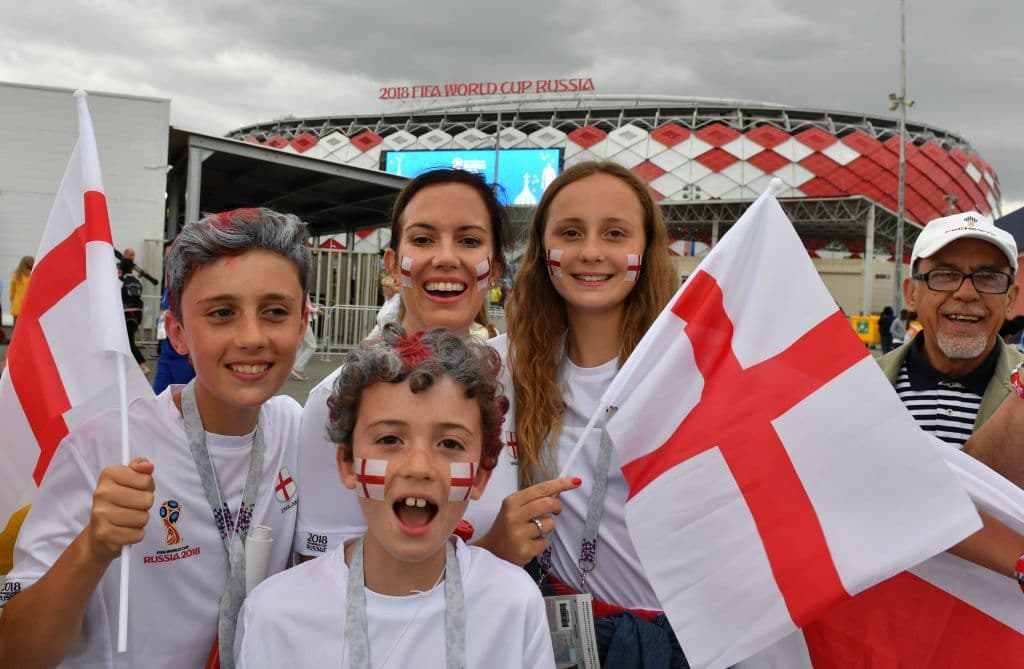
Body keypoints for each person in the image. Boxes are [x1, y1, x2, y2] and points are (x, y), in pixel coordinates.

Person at [0, 208, 311, 668]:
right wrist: (92, 548)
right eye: (222, 313)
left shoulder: (298, 430)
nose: (251, 337)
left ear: (303, 322)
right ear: (178, 332)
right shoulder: (102, 450)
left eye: (275, 312)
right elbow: (16, 653)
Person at [235, 325, 554, 667]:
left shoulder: (515, 604)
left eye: (450, 444)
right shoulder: (275, 615)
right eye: (389, 440)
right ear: (347, 463)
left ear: (481, 475)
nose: (418, 467)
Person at [293, 168, 568, 561]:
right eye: (422, 239)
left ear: (493, 268)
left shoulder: (518, 378)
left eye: (469, 240)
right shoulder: (338, 398)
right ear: (392, 263)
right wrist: (491, 554)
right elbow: (319, 570)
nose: (445, 257)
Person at [489, 161, 682, 666]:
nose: (591, 252)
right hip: (552, 624)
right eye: (570, 233)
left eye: (615, 233)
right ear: (541, 250)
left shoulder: (689, 367)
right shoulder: (505, 367)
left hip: (676, 640)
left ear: (646, 251)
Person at [878, 211, 1021, 448]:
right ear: (911, 294)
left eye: (988, 277)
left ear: (1010, 299)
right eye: (945, 275)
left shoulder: (1021, 393)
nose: (966, 293)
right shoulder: (860, 388)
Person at [119, 252, 149, 374]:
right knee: (127, 340)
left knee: (129, 342)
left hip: (126, 315)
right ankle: (127, 367)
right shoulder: (138, 281)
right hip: (138, 315)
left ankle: (143, 365)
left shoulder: (120, 282)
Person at [290, 297, 320, 381]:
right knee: (312, 346)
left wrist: (312, 306)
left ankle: (297, 369)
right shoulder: (303, 289)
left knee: (303, 345)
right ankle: (297, 367)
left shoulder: (302, 289)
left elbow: (305, 305)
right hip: (303, 319)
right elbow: (304, 306)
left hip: (300, 319)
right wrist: (315, 310)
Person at [9, 255, 33, 331]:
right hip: (29, 307)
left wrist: (13, 302)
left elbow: (12, 293)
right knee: (27, 329)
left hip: (16, 306)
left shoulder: (15, 275)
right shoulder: (33, 276)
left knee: (16, 330)